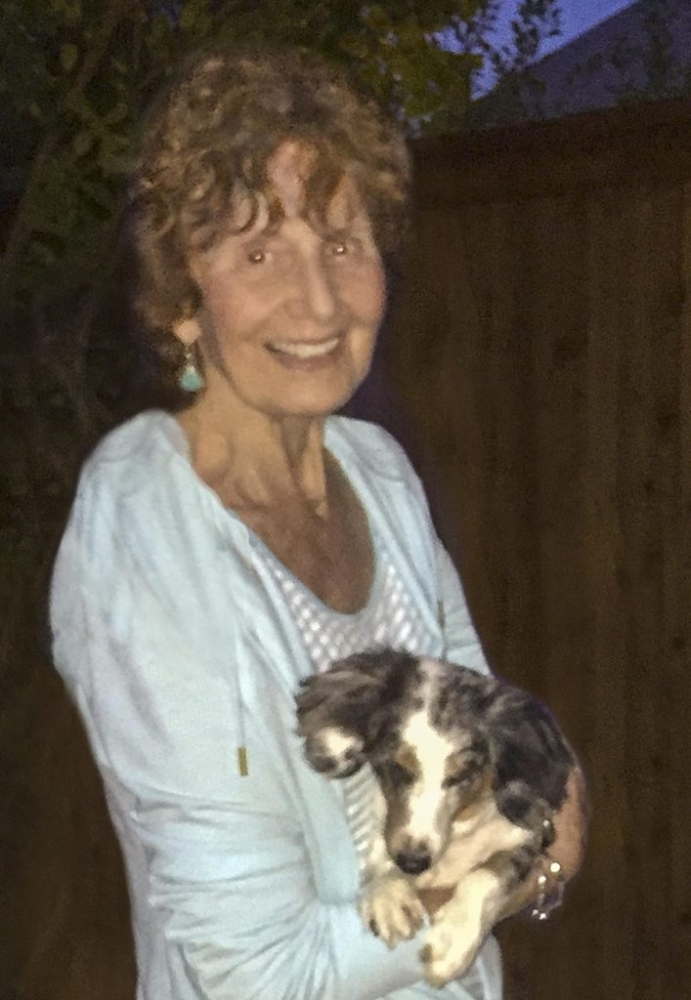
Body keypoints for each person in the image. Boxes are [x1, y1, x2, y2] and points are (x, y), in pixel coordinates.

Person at [49, 45, 587, 1000]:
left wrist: (531, 835)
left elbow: (494, 728)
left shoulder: (375, 470)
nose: (319, 301)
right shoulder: (140, 525)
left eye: (342, 244)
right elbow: (259, 972)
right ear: (183, 300)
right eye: (259, 254)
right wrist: (518, 868)